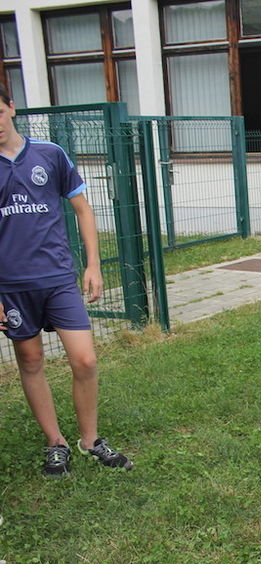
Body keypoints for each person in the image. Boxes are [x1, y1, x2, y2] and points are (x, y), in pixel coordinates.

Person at [0, 84, 133, 477]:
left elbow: (82, 209)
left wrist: (93, 265)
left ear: (11, 108)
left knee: (85, 359)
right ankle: (55, 443)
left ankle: (90, 440)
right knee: (30, 360)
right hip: (11, 285)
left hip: (58, 278)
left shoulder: (49, 154)